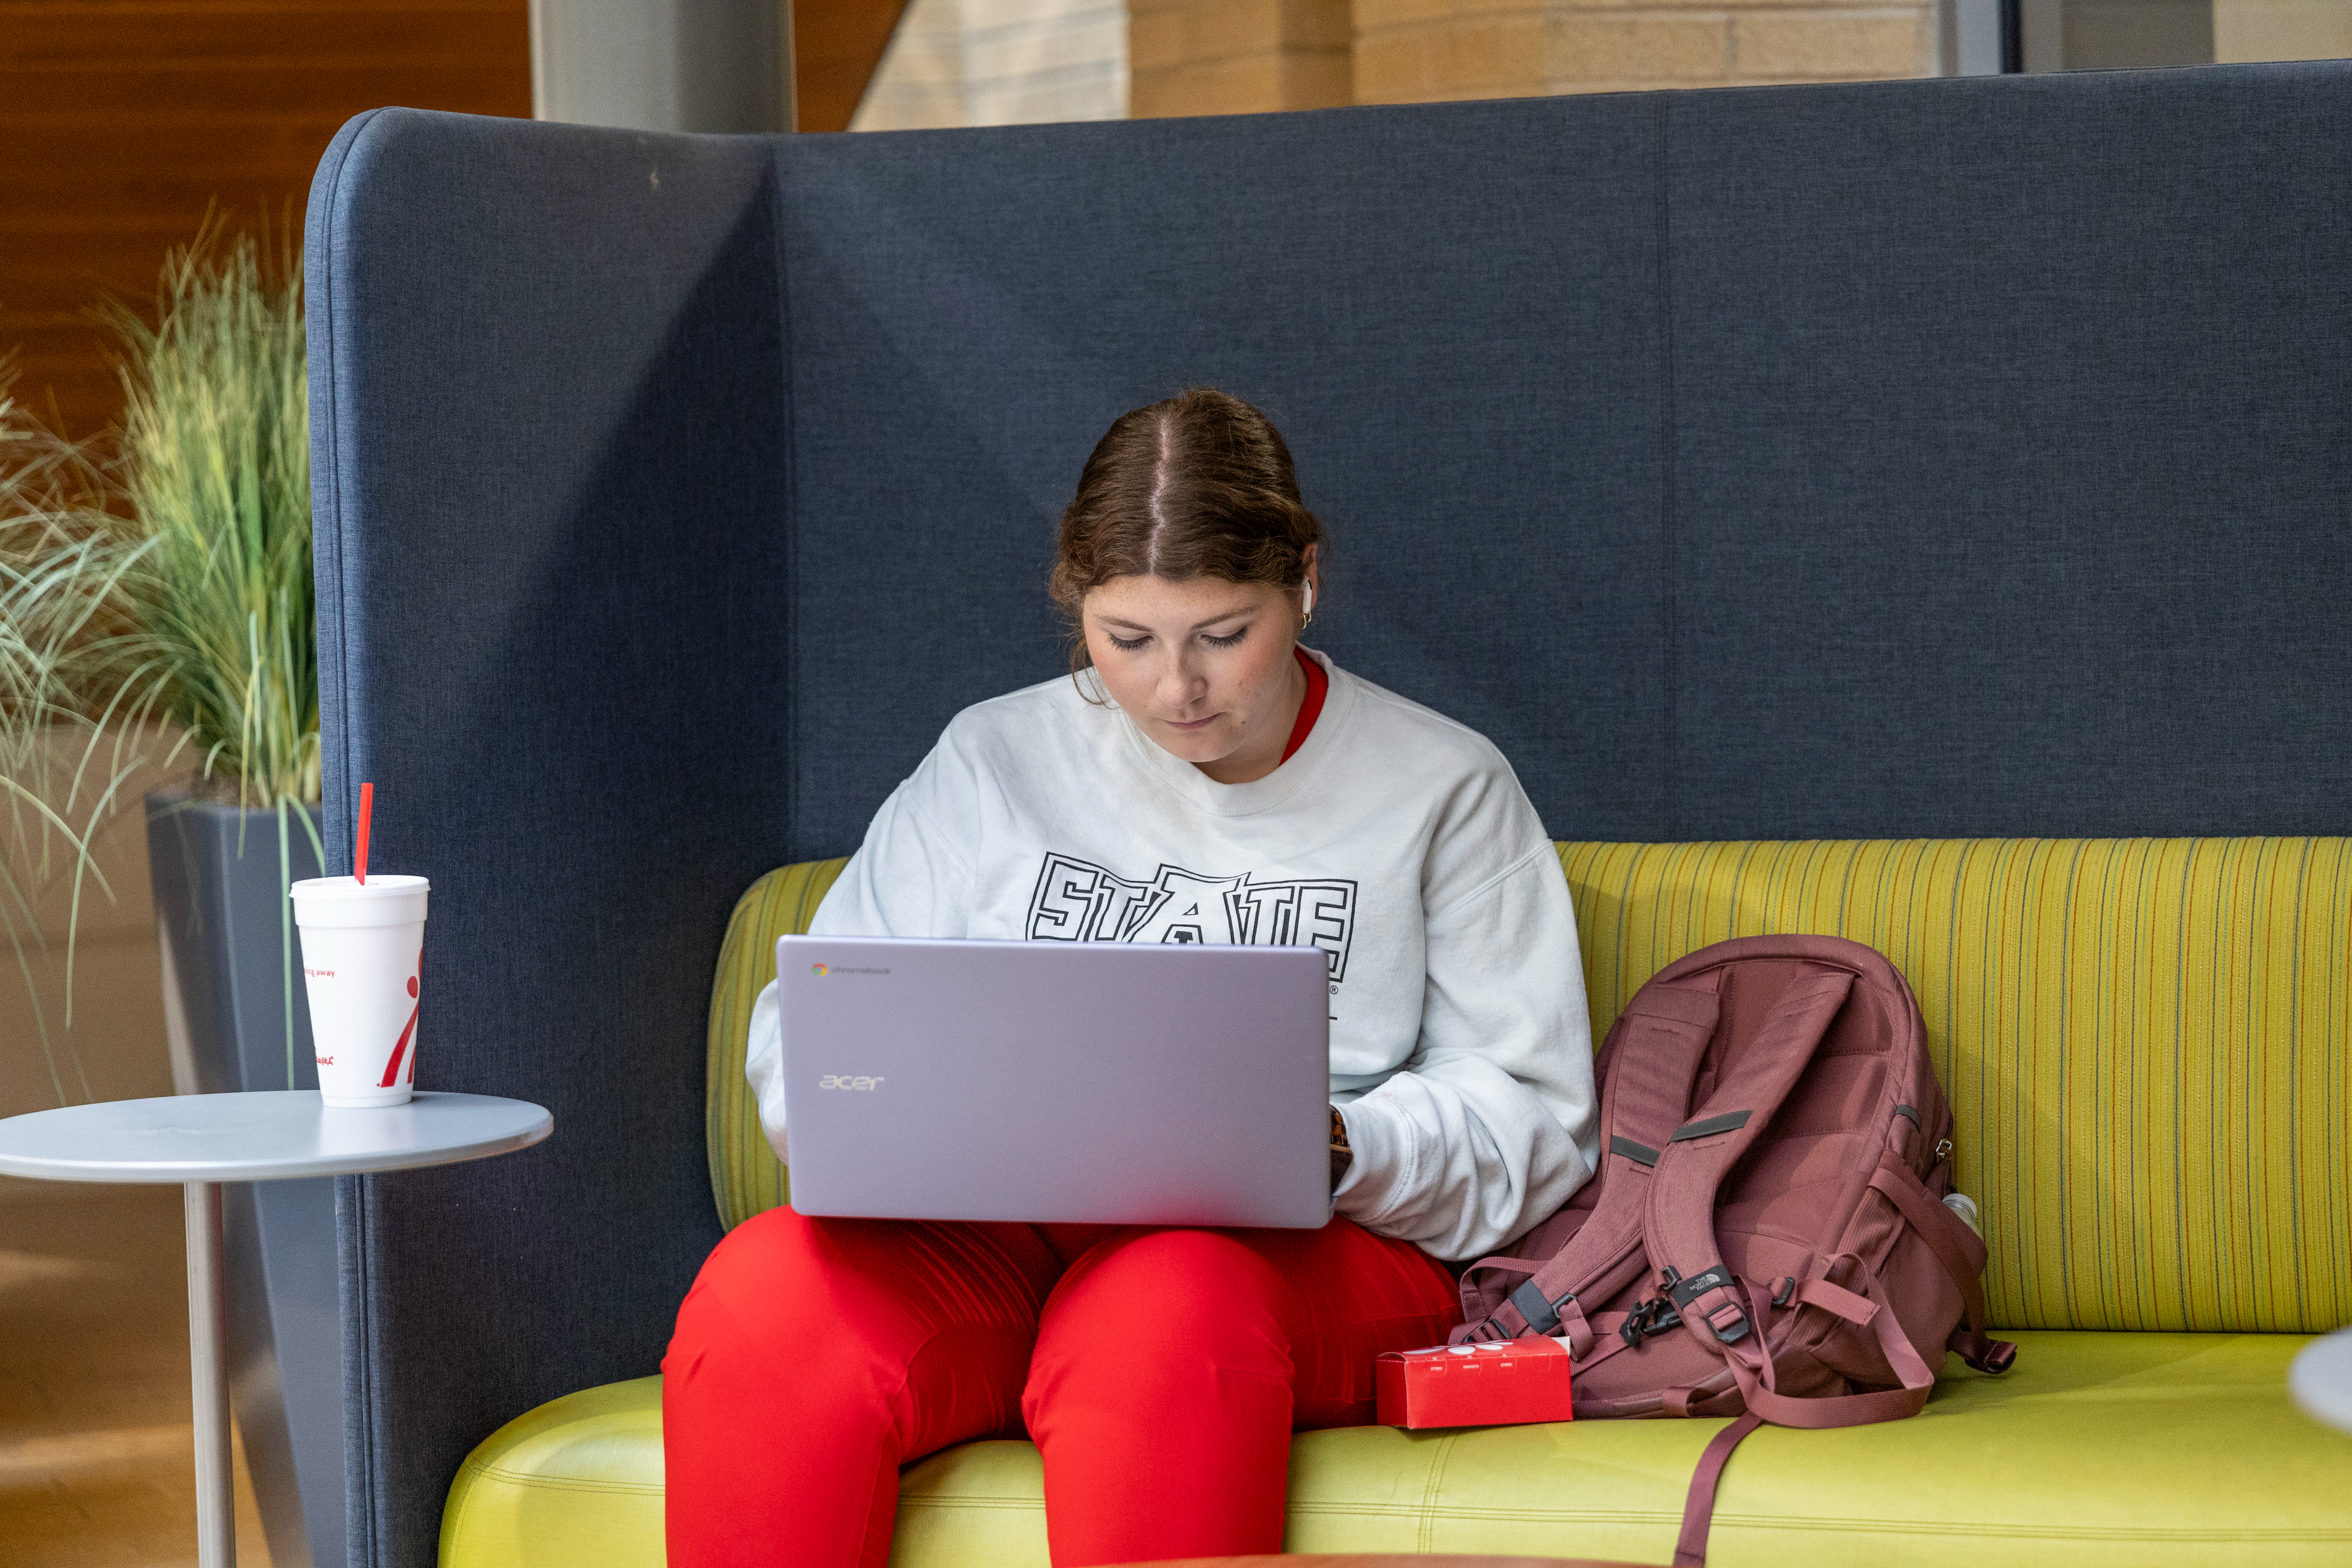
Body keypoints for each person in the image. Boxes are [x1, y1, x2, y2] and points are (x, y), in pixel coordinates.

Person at [664, 388, 1599, 1568]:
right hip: (1001, 1235)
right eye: (1127, 642)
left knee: (1157, 1320)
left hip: (1291, 1251)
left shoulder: (1442, 784)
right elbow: (819, 1025)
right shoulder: (992, 760)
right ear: (1077, 608)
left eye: (1223, 635)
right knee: (766, 1299)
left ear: (1304, 582)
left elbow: (1535, 1116)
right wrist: (861, 1118)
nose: (1176, 690)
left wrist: (1341, 1143)